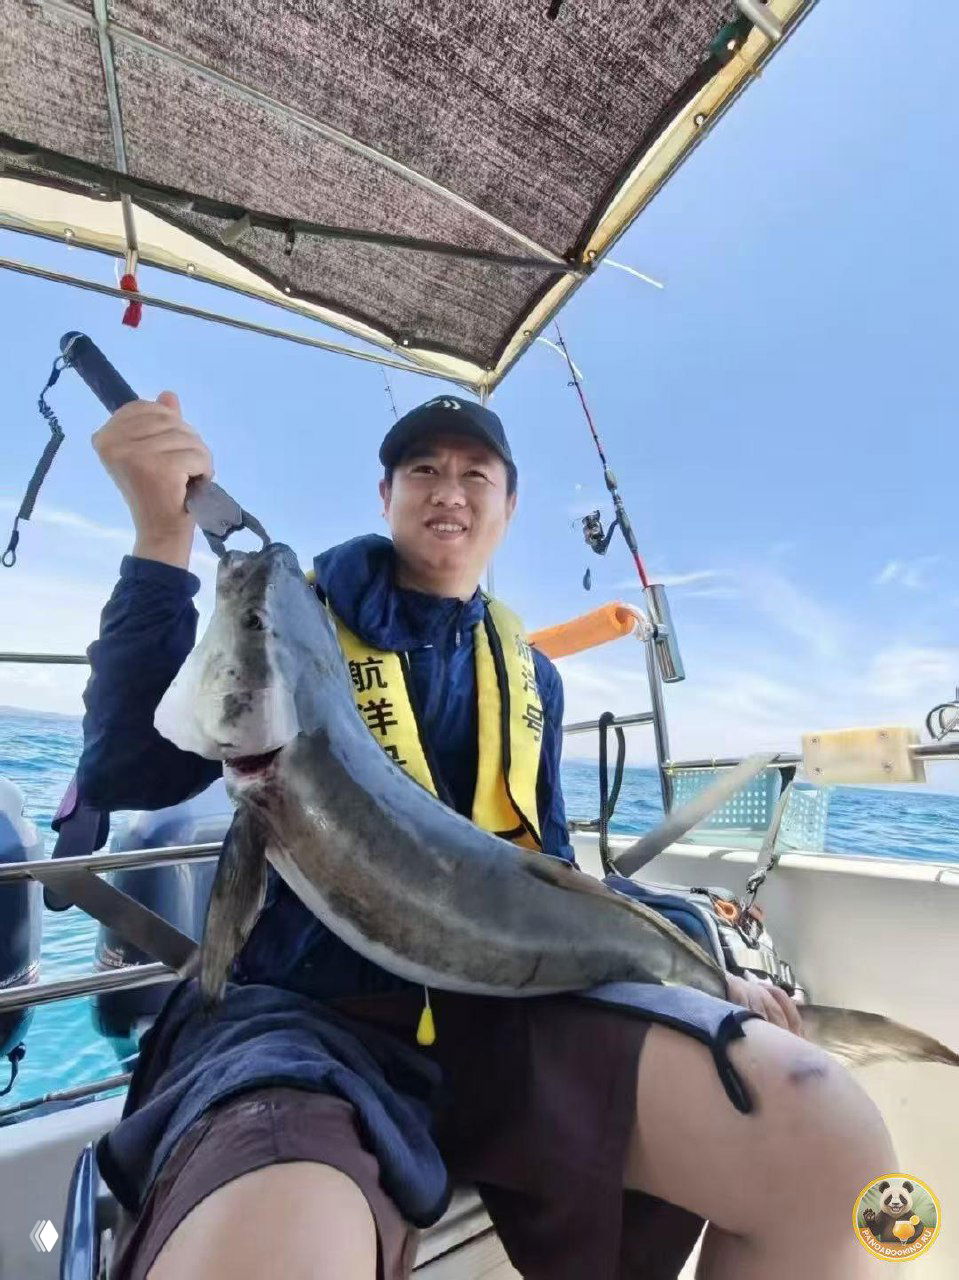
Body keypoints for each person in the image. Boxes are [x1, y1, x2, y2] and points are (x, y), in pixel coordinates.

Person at [77, 388, 897, 1280]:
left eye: (477, 474)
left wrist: (703, 954)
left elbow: (546, 874)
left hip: (511, 1010)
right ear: (383, 494)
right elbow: (133, 772)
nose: (449, 490)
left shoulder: (531, 674)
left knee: (822, 1127)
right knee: (272, 1251)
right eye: (423, 469)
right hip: (310, 1020)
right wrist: (161, 542)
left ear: (510, 506)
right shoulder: (294, 622)